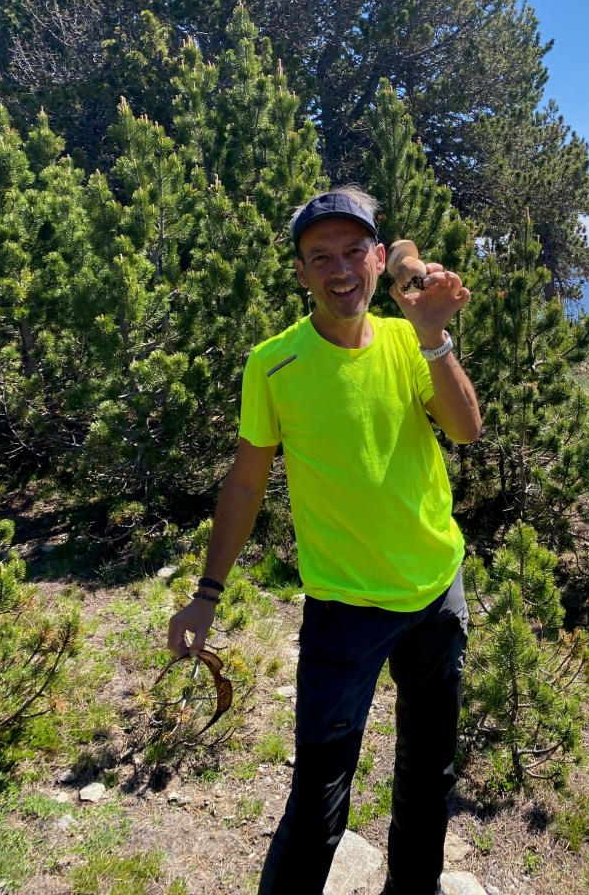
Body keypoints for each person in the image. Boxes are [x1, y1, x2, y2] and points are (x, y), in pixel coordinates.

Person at [167, 186, 481, 895]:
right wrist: (207, 595)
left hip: (437, 592)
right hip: (344, 611)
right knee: (317, 802)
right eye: (320, 257)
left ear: (376, 257)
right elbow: (245, 482)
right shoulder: (274, 364)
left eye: (353, 252)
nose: (340, 270)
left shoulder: (408, 340)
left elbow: (465, 429)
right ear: (301, 273)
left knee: (429, 778)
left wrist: (435, 336)